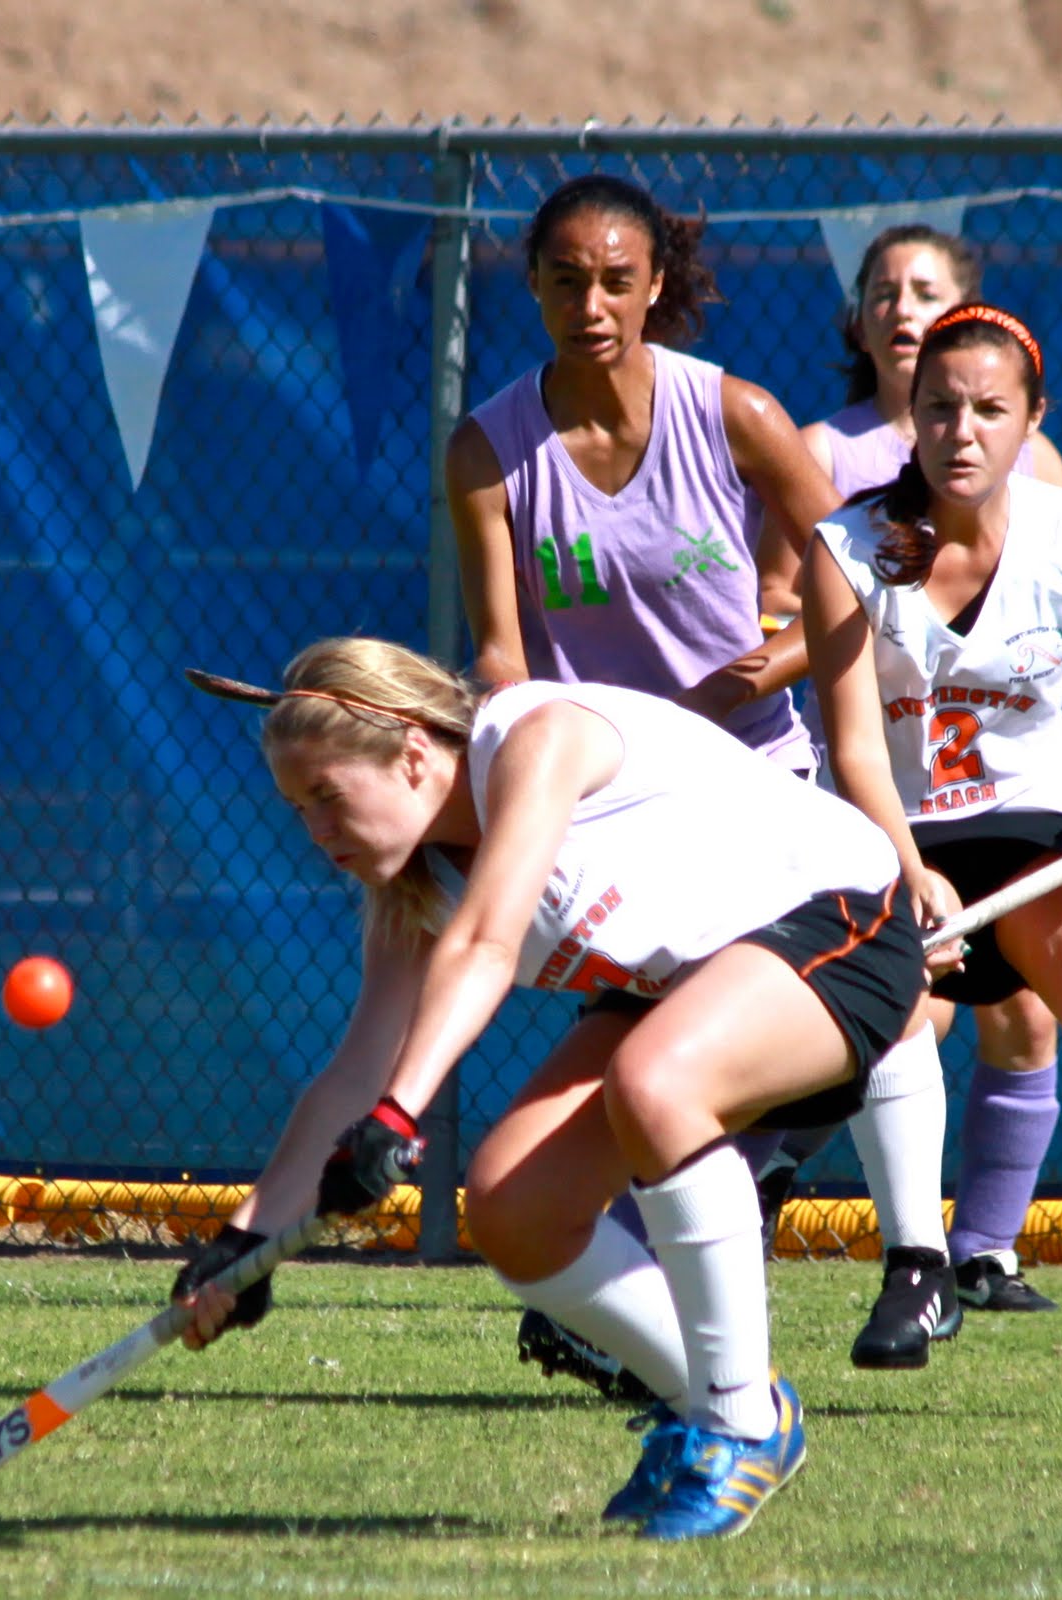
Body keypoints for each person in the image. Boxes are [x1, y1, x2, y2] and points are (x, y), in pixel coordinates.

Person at [172, 636, 936, 1538]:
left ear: (414, 755)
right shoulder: (416, 887)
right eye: (300, 811)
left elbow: (490, 945)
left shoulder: (537, 736)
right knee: (511, 1204)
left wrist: (397, 1116)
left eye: (329, 799)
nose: (318, 835)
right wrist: (246, 1239)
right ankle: (711, 1402)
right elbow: (358, 1066)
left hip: (842, 919)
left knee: (655, 1084)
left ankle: (740, 1429)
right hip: (685, 981)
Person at [448, 174, 955, 1384]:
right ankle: (655, 1333)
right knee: (629, 1098)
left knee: (835, 1039)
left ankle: (919, 1265)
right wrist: (497, 751)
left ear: (656, 283)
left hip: (761, 800)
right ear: (531, 286)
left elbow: (862, 570)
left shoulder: (731, 412)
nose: (591, 303)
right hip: (610, 816)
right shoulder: (487, 448)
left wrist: (759, 664)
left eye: (616, 278)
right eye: (565, 279)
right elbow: (502, 656)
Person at [803, 302, 1062, 1421]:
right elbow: (847, 744)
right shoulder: (844, 548)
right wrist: (902, 863)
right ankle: (916, 1265)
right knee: (883, 1012)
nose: (960, 432)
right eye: (937, 408)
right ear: (908, 422)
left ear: (1031, 420)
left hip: (1040, 833)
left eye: (988, 410)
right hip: (897, 829)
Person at [761, 225, 1062, 1314]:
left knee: (1025, 1013)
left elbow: (1053, 604)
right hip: (884, 787)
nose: (901, 307)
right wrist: (861, 633)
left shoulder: (1031, 468)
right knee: (900, 1003)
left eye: (925, 290)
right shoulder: (831, 454)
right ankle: (845, 1212)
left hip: (1000, 787)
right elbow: (789, 603)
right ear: (856, 321)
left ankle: (984, 1247)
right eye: (881, 290)